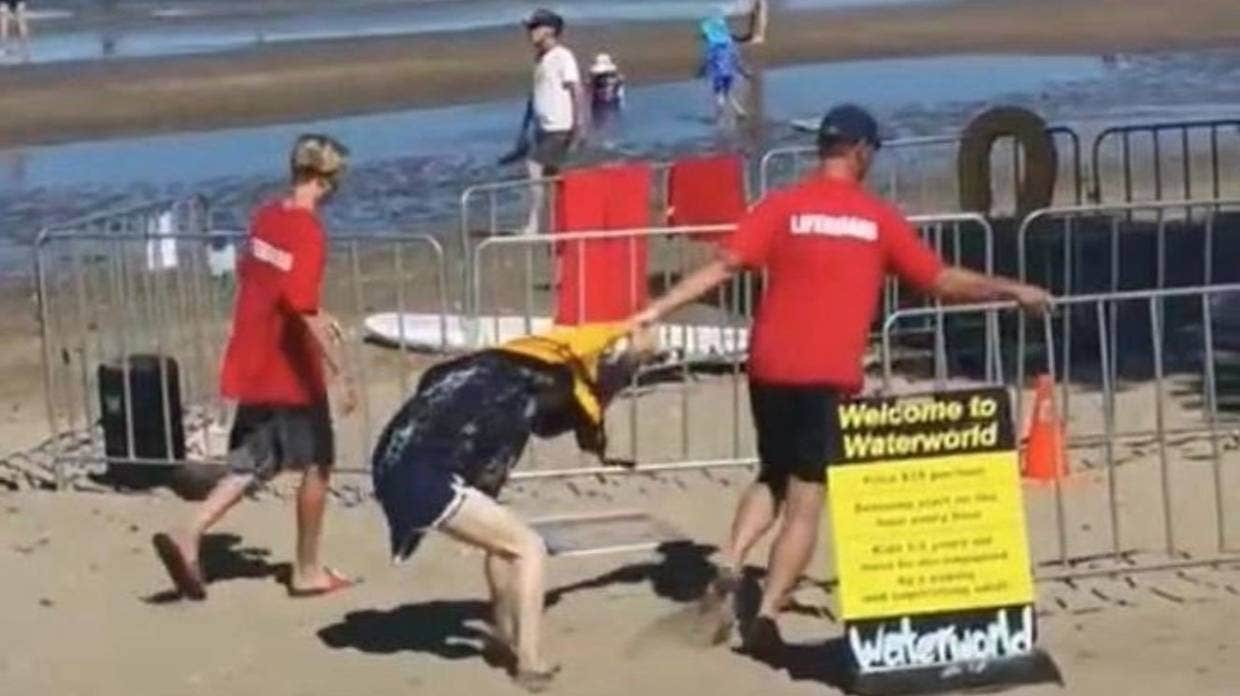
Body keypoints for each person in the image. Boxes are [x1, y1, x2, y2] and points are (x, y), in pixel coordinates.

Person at [631, 104, 1052, 654]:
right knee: (807, 499)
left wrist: (655, 310)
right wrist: (1013, 289)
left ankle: (732, 559)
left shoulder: (782, 206)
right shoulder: (875, 218)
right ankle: (767, 613)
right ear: (861, 152)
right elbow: (941, 280)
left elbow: (724, 266)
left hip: (769, 364)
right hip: (825, 371)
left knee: (771, 475)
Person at [371, 324, 655, 692]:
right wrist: (627, 363)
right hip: (421, 475)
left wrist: (627, 358)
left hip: (392, 460)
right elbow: (574, 410)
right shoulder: (513, 402)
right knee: (529, 547)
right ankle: (530, 661)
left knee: (503, 540)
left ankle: (503, 634)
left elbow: (558, 411)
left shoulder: (490, 370)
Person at [152, 134, 360, 601]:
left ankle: (191, 529)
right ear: (326, 181)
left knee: (254, 463)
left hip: (256, 357)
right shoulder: (307, 231)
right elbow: (302, 306)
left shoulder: (266, 217)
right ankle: (307, 570)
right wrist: (339, 372)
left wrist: (322, 318)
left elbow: (272, 285)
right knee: (318, 464)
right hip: (289, 371)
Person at [519, 8, 583, 236]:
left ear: (550, 31)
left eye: (535, 27)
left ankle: (534, 224)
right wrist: (524, 129)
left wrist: (579, 125)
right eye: (530, 28)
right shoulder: (541, 59)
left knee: (534, 167)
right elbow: (534, 95)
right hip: (543, 127)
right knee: (555, 177)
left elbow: (576, 90)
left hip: (560, 127)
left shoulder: (562, 56)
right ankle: (565, 220)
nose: (530, 32)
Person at [698, 15, 749, 122]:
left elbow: (708, 60)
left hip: (718, 74)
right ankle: (740, 112)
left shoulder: (712, 47)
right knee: (728, 92)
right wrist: (743, 71)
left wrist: (701, 71)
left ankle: (720, 112)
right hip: (729, 73)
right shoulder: (729, 45)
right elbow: (736, 59)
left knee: (719, 94)